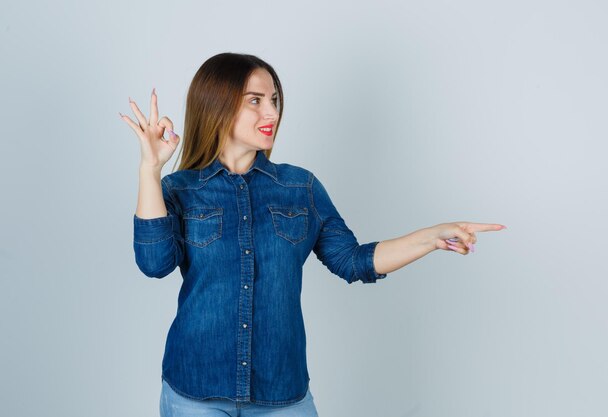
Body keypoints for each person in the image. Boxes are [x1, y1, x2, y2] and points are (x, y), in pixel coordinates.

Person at [120, 52, 506, 417]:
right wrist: (149, 170)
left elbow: (352, 260)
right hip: (195, 388)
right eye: (255, 101)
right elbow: (154, 264)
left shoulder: (299, 188)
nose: (272, 111)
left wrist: (431, 237)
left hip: (281, 390)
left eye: (274, 99)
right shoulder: (178, 189)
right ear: (217, 105)